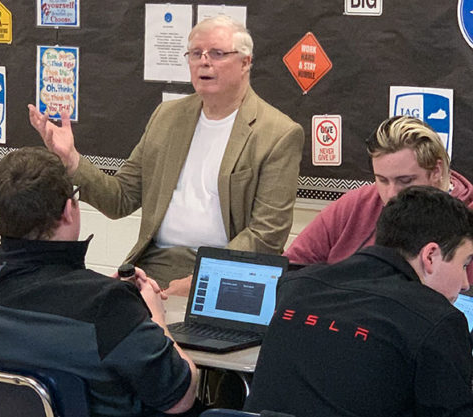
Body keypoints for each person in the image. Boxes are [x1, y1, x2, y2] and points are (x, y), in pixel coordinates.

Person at [28, 15, 304, 292]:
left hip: (225, 276)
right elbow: (120, 198)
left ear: (246, 62)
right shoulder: (167, 116)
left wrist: (199, 281)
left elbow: (266, 236)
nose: (204, 62)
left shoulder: (277, 134)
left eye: (217, 54)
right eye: (196, 54)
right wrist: (72, 159)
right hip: (153, 266)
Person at [0, 147, 198, 417]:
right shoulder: (109, 307)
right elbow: (180, 396)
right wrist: (155, 317)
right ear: (69, 210)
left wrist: (107, 295)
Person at [245, 186, 473, 416]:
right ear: (430, 256)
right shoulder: (437, 320)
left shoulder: (294, 287)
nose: (465, 282)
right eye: (464, 264)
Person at [285, 115, 473, 268]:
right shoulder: (357, 203)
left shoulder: (466, 222)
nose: (391, 194)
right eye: (382, 180)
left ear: (436, 171)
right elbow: (292, 265)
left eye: (405, 181)